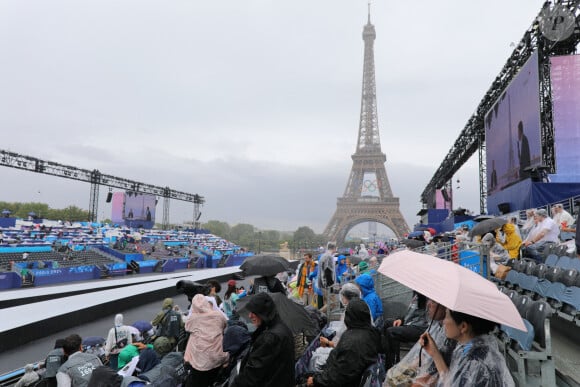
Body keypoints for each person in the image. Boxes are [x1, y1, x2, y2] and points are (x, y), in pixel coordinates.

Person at [420, 310, 514, 386]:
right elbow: (452, 382)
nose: (444, 321)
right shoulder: (471, 346)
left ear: (463, 326)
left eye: (447, 316)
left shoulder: (476, 362)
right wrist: (435, 354)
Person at [306, 299, 381, 387]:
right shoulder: (371, 332)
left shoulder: (352, 342)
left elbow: (339, 376)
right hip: (343, 374)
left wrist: (315, 380)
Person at [230, 293, 295, 387]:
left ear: (263, 313)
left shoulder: (269, 338)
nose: (250, 315)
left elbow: (251, 375)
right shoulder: (281, 327)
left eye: (253, 312)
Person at [386, 299, 455, 386]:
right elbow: (423, 357)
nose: (428, 304)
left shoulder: (453, 343)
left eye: (433, 301)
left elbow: (444, 378)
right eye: (428, 300)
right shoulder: (437, 327)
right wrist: (403, 371)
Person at [184, 294, 229, 387]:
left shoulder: (193, 318)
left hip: (200, 360)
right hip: (217, 356)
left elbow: (187, 328)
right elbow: (224, 324)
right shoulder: (218, 315)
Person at [382, 292, 428, 369]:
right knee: (388, 323)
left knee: (391, 332)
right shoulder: (416, 295)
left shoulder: (426, 298)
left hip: (420, 327)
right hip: (411, 323)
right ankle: (386, 356)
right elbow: (409, 312)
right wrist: (401, 319)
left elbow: (425, 318)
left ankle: (392, 364)